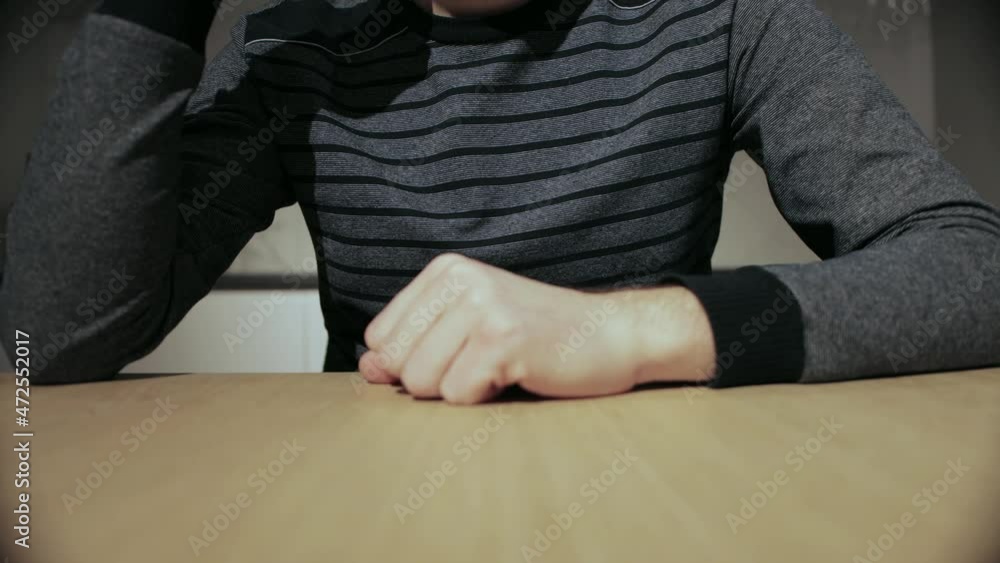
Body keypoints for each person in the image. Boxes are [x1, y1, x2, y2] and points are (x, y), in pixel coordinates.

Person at [2, 0, 998, 404]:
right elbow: (39, 339)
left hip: (665, 501)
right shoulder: (293, 48)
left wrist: (636, 330)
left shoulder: (721, 17)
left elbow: (973, 267)